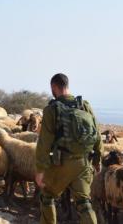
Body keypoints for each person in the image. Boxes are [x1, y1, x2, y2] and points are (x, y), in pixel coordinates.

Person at [35, 73, 103, 224]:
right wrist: (98, 159)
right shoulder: (84, 105)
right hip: (84, 163)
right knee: (84, 203)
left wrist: (40, 170)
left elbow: (44, 142)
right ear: (67, 85)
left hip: (61, 164)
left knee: (47, 197)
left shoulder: (51, 110)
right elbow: (97, 134)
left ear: (54, 87)